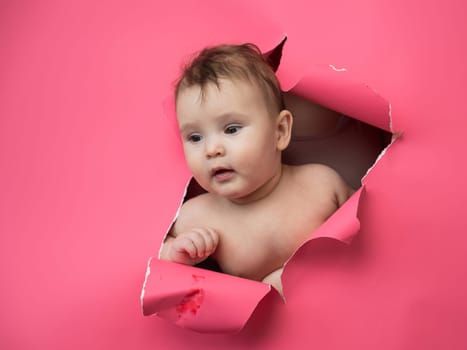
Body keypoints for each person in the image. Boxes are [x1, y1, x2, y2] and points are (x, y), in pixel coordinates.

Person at [159, 43, 354, 295]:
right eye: (195, 137)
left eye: (231, 129)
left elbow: (373, 219)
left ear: (280, 132)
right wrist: (175, 252)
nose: (211, 150)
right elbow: (155, 255)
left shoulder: (321, 185)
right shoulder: (196, 217)